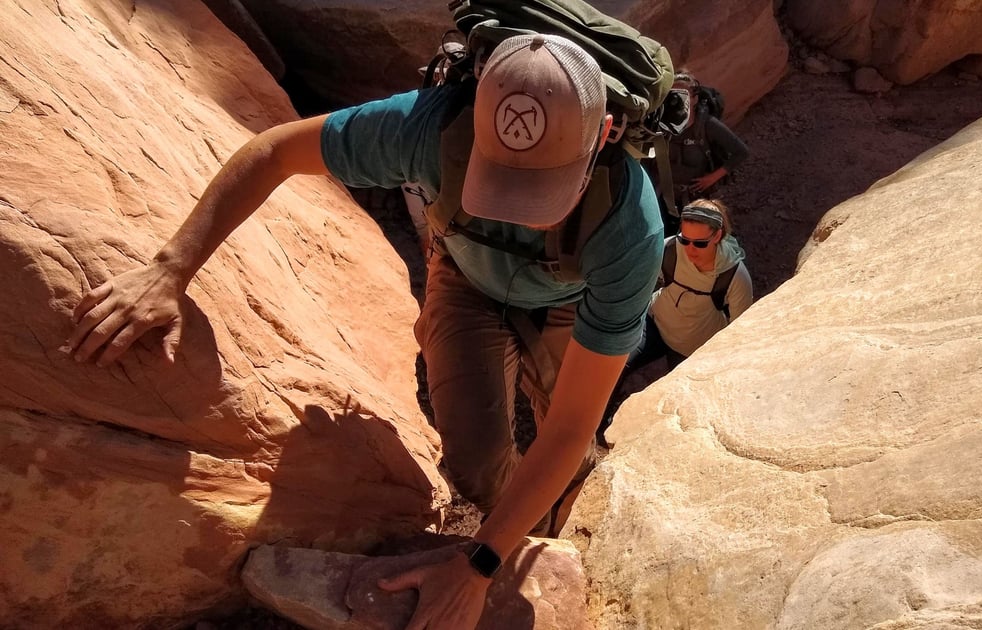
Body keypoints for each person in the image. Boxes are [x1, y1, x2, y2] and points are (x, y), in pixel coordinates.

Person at [63, 33, 662, 629]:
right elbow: (274, 152)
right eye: (498, 183)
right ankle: (521, 527)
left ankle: (551, 528)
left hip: (569, 302)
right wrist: (171, 270)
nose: (510, 210)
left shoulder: (628, 227)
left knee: (570, 439)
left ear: (605, 134)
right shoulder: (424, 129)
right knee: (476, 461)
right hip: (466, 285)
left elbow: (568, 425)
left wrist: (476, 565)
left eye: (537, 194)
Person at [597, 199, 751, 446]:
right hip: (657, 322)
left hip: (694, 348)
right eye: (685, 239)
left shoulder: (734, 276)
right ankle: (595, 429)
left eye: (700, 243)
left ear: (718, 235)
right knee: (615, 366)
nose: (690, 249)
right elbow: (641, 281)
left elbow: (739, 332)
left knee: (681, 406)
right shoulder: (669, 248)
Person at [662, 71, 749, 227]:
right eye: (673, 94)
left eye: (684, 95)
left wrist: (712, 178)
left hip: (695, 197)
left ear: (695, 99)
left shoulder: (707, 125)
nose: (678, 100)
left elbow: (740, 152)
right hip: (663, 194)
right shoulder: (662, 124)